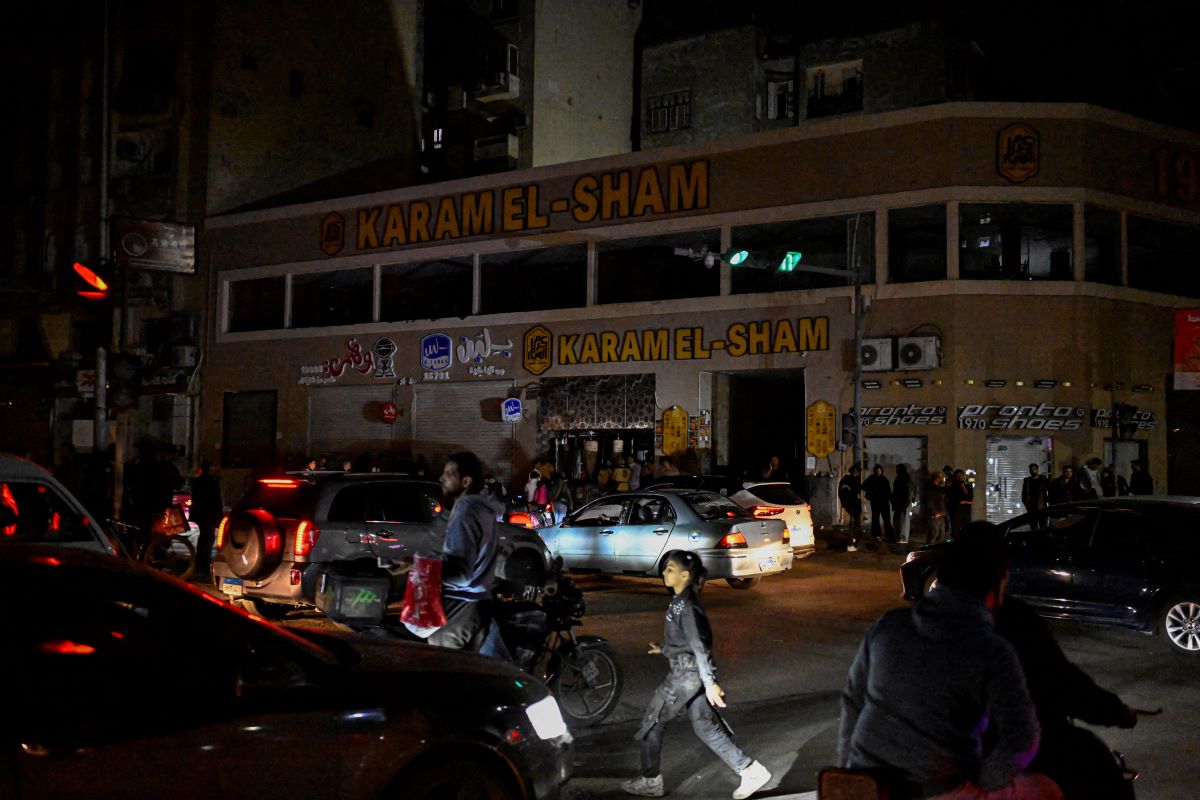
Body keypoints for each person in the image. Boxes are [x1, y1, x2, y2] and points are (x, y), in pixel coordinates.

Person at [838, 524, 1060, 800]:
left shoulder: (888, 625)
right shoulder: (990, 649)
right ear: (999, 584)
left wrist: (848, 773)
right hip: (936, 789)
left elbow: (853, 700)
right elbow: (1022, 738)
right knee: (1046, 789)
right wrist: (984, 781)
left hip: (868, 784)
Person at [953, 524, 1139, 800]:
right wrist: (1116, 712)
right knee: (1097, 766)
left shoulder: (908, 626)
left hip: (932, 759)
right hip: (988, 756)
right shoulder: (1012, 621)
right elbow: (1060, 683)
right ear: (1001, 574)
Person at [621, 550, 772, 799]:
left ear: (685, 575)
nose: (664, 572)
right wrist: (664, 648)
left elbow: (699, 646)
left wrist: (710, 683)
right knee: (704, 727)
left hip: (685, 676)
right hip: (691, 673)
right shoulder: (681, 601)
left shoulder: (687, 606)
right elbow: (686, 642)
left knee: (651, 722)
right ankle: (751, 771)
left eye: (670, 569)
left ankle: (650, 781)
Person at [428, 451, 501, 652]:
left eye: (448, 474)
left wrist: (421, 569)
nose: (441, 478)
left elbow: (460, 573)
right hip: (479, 607)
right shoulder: (485, 509)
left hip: (458, 611)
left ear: (466, 481)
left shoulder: (464, 509)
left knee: (446, 668)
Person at [190, 459, 223, 578]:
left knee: (204, 535)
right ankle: (204, 559)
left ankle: (201, 558)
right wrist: (218, 515)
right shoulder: (212, 482)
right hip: (209, 513)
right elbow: (216, 500)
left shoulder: (197, 482)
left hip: (201, 513)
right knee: (208, 536)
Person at [862, 465, 894, 544]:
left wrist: (891, 501)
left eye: (879, 471)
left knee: (886, 519)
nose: (878, 472)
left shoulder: (883, 479)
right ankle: (877, 535)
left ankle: (888, 535)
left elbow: (888, 491)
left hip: (882, 501)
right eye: (877, 471)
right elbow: (863, 486)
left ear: (881, 471)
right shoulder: (873, 478)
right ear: (875, 471)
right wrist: (871, 491)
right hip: (876, 502)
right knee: (876, 518)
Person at [838, 466, 863, 547]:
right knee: (853, 521)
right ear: (854, 471)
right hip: (850, 504)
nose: (859, 474)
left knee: (856, 520)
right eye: (858, 472)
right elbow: (843, 493)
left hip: (856, 504)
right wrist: (845, 504)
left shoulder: (856, 480)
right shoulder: (847, 479)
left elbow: (857, 491)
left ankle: (854, 540)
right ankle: (852, 540)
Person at [946, 469, 974, 535]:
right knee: (956, 530)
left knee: (967, 530)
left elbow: (970, 498)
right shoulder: (952, 488)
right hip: (956, 511)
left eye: (961, 475)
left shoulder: (968, 487)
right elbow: (951, 500)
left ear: (963, 476)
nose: (959, 477)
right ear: (955, 477)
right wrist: (960, 502)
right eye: (957, 476)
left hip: (966, 511)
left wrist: (964, 489)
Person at [891, 464, 914, 543]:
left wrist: (906, 504)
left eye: (897, 469)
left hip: (903, 504)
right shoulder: (901, 478)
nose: (896, 471)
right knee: (898, 521)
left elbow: (909, 492)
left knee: (903, 521)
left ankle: (903, 538)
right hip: (900, 504)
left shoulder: (905, 479)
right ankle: (899, 537)